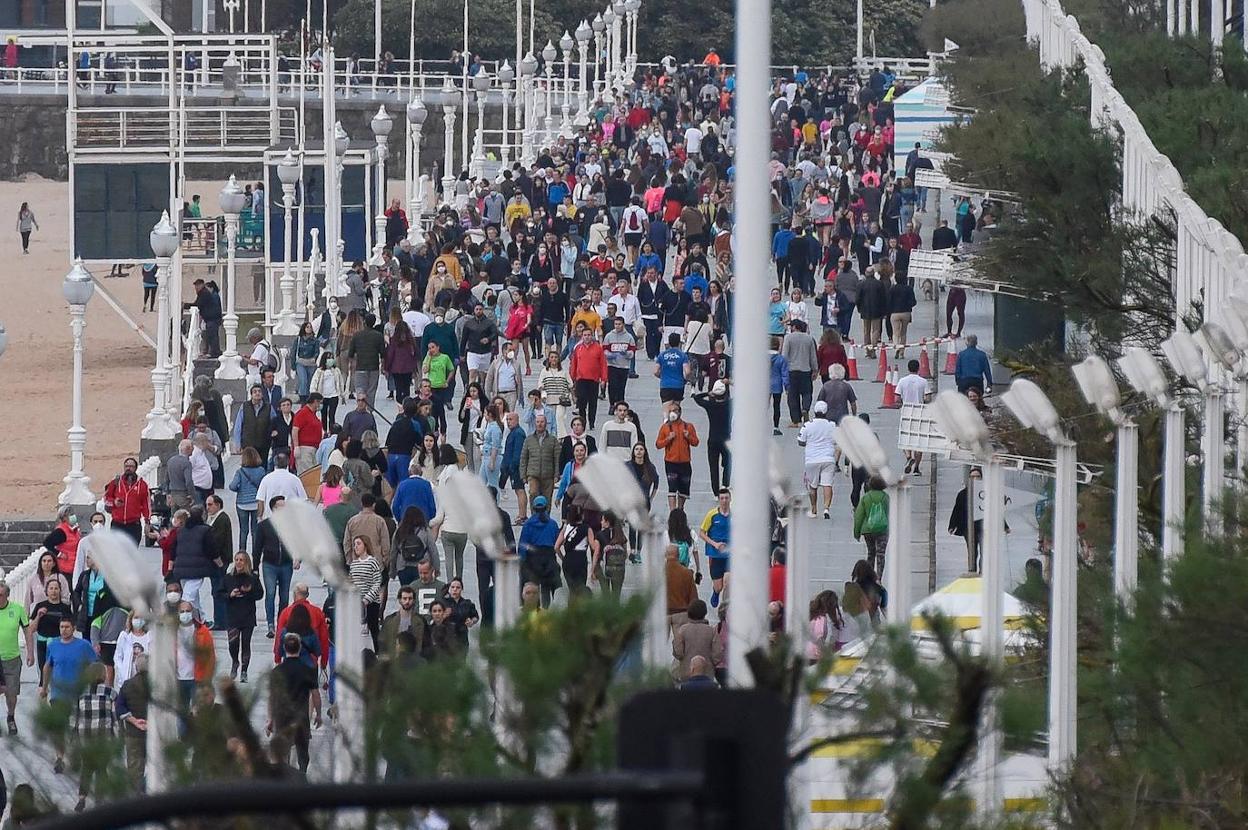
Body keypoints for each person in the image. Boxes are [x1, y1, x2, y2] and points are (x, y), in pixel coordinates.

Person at [268, 633, 320, 774]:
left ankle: (284, 781)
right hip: (301, 717)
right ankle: (302, 776)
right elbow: (315, 694)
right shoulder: (307, 671)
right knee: (303, 752)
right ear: (300, 648)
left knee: (282, 752)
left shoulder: (276, 672)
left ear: (284, 648)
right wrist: (319, 715)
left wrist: (270, 719)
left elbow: (272, 697)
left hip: (282, 716)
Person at [70, 662, 117, 811]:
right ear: (104, 675)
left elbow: (74, 717)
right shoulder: (111, 693)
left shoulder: (80, 693)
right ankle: (100, 800)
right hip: (104, 737)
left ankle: (82, 798)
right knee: (102, 769)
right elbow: (114, 716)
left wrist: (73, 736)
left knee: (87, 768)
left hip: (86, 737)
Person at [222, 551, 263, 682]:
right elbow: (218, 594)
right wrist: (230, 595)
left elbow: (260, 594)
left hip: (247, 616)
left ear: (246, 563)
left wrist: (249, 592)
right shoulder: (228, 577)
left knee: (246, 644)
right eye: (237, 560)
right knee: (233, 643)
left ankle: (244, 671)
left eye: (241, 560)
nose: (238, 562)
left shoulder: (253, 578)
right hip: (233, 616)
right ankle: (235, 661)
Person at [0, 582, 34, 735]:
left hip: (11, 658)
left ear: (7, 595)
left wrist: (30, 652)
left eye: (0, 594)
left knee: (11, 693)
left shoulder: (18, 610)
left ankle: (11, 716)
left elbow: (27, 631)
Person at [115, 653, 150, 793]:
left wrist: (134, 721)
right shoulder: (158, 685)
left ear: (136, 667)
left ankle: (136, 797)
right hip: (153, 733)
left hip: (133, 733)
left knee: (135, 768)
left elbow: (119, 708)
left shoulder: (128, 685)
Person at [272, 584, 330, 668]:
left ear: (295, 594)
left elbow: (279, 638)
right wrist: (324, 662)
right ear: (307, 595)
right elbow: (324, 639)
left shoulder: (286, 612)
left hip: (289, 663)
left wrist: (277, 659)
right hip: (310, 663)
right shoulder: (317, 612)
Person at [518, 496, 562, 607]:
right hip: (549, 558)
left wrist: (521, 561)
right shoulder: (552, 524)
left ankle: (534, 609)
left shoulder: (528, 524)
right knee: (546, 586)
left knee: (533, 586)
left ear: (533, 508)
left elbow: (523, 545)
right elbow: (557, 541)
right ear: (546, 508)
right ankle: (546, 610)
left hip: (533, 559)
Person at [798, 400, 838, 519]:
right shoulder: (832, 425)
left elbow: (800, 441)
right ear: (826, 412)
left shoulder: (808, 425)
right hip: (828, 458)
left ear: (814, 412)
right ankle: (826, 508)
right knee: (827, 484)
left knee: (813, 486)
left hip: (812, 459)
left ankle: (814, 508)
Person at [656, 403, 700, 511]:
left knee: (684, 488)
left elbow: (696, 442)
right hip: (671, 462)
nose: (673, 413)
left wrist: (688, 436)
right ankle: (672, 511)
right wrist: (668, 439)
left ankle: (680, 509)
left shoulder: (688, 426)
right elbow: (658, 444)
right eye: (670, 411)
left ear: (680, 412)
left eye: (675, 410)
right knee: (672, 487)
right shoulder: (665, 427)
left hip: (685, 462)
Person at [692, 380, 732, 493]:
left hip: (713, 439)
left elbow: (696, 398)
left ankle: (715, 491)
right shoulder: (729, 405)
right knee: (728, 462)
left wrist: (707, 393)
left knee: (713, 467)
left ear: (714, 394)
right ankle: (725, 484)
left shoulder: (710, 405)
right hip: (726, 439)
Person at [348, 535, 385, 651]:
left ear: (365, 545)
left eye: (358, 544)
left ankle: (378, 652)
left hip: (371, 602)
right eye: (354, 544)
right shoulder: (354, 564)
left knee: (373, 627)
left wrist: (368, 598)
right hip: (357, 602)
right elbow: (351, 581)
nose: (356, 547)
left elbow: (377, 581)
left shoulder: (372, 562)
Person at [102, 457, 151, 543]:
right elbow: (106, 498)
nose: (128, 468)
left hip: (134, 524)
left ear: (135, 468)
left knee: (132, 552)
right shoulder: (115, 482)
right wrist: (114, 502)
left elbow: (146, 504)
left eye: (131, 466)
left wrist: (147, 522)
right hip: (117, 524)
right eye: (126, 466)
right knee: (117, 551)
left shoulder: (142, 485)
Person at [673, 600, 723, 682]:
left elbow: (678, 653)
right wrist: (711, 663)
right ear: (705, 613)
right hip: (707, 673)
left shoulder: (683, 630)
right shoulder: (711, 631)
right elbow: (717, 653)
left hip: (687, 672)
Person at [699, 488, 732, 608]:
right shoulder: (712, 515)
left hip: (730, 554)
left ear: (730, 499)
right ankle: (715, 591)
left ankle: (725, 606)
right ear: (719, 500)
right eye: (722, 498)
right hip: (715, 554)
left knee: (728, 581)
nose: (724, 501)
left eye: (726, 498)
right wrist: (714, 544)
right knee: (719, 586)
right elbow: (702, 533)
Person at [569, 328, 608, 429]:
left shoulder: (598, 348)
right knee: (581, 402)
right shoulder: (578, 348)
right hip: (581, 379)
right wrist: (571, 378)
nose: (587, 337)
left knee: (593, 402)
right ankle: (583, 421)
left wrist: (604, 379)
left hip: (593, 379)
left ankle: (592, 422)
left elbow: (603, 364)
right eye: (585, 335)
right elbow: (574, 363)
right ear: (582, 336)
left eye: (589, 335)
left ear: (592, 336)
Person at [782, 320, 818, 426]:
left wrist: (783, 370)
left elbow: (784, 356)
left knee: (792, 396)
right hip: (805, 370)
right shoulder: (809, 338)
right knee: (807, 393)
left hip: (792, 371)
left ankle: (795, 420)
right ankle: (805, 408)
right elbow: (813, 356)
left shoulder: (788, 338)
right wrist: (815, 369)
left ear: (794, 327)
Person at [853, 476, 890, 575]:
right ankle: (879, 577)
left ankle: (869, 577)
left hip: (868, 530)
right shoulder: (886, 497)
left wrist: (857, 532)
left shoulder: (866, 497)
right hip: (882, 530)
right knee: (881, 554)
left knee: (871, 553)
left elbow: (859, 516)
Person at [381, 585, 427, 655]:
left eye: (410, 598)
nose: (407, 601)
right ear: (399, 600)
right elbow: (382, 642)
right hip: (395, 660)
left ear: (414, 600)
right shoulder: (389, 620)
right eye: (404, 598)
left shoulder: (421, 620)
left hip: (415, 659)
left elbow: (426, 643)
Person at [665, 544, 698, 635]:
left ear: (665, 555)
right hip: (681, 614)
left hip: (663, 612)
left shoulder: (659, 573)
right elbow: (693, 597)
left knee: (660, 645)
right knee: (680, 644)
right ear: (679, 555)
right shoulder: (687, 573)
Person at [655, 333, 691, 404]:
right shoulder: (683, 355)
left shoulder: (662, 355)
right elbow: (687, 372)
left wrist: (662, 377)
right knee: (676, 408)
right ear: (679, 342)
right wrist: (685, 379)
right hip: (678, 385)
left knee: (666, 408)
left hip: (665, 385)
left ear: (669, 342)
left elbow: (655, 371)